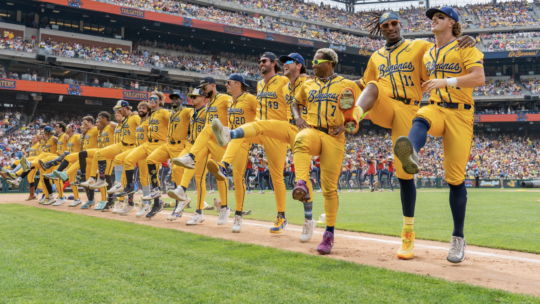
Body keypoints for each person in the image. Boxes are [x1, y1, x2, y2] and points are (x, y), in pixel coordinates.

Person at [350, 10, 475, 260]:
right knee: (372, 85)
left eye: (394, 23)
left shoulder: (419, 47)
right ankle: (354, 116)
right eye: (385, 25)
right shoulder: (375, 57)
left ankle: (408, 235)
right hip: (385, 104)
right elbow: (365, 84)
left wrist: (466, 39)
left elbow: (445, 49)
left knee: (404, 174)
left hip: (410, 107)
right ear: (382, 29)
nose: (390, 27)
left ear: (400, 24)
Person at [393, 7, 485, 263]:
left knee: (455, 179)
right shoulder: (428, 51)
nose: (434, 19)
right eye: (432, 17)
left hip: (460, 114)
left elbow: (479, 78)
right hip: (436, 107)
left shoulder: (466, 47)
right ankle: (409, 152)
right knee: (421, 116)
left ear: (452, 23)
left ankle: (458, 237)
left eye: (440, 17)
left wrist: (447, 82)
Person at [211, 53, 309, 236]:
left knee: (276, 176)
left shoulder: (282, 80)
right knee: (240, 134)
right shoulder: (260, 84)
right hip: (260, 129)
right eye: (259, 61)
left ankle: (281, 216)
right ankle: (223, 166)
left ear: (273, 63)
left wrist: (304, 76)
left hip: (276, 132)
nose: (260, 64)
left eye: (264, 61)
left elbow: (298, 87)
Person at [290, 48, 361, 254]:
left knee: (329, 188)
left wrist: (350, 122)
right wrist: (297, 118)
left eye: (316, 61)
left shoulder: (346, 85)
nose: (312, 65)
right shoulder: (308, 84)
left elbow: (359, 107)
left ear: (329, 63)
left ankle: (329, 234)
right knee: (301, 138)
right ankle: (301, 183)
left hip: (334, 137)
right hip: (313, 131)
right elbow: (295, 103)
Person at [167, 77, 231, 226]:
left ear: (203, 97)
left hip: (220, 143)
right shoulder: (206, 107)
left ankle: (225, 207)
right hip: (201, 145)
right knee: (198, 178)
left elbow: (235, 106)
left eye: (195, 96)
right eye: (191, 97)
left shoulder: (221, 100)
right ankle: (197, 210)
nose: (192, 99)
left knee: (220, 175)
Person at [118, 92, 169, 217]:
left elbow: (173, 123)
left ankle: (156, 204)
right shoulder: (150, 116)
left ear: (160, 101)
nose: (151, 100)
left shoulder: (163, 112)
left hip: (158, 144)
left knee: (153, 176)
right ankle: (130, 186)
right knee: (128, 160)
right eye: (150, 98)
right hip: (146, 145)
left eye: (154, 99)